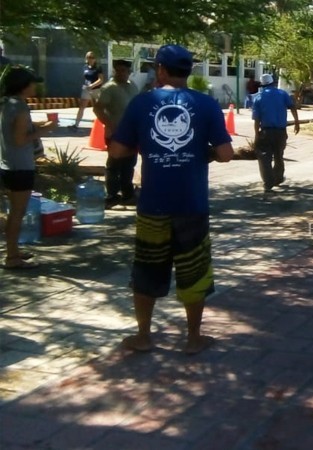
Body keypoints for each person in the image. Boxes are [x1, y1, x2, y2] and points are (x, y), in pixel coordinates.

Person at [107, 44, 234, 355]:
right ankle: (193, 339)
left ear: (160, 69)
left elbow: (116, 152)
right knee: (194, 271)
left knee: (147, 270)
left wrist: (149, 147)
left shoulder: (141, 103)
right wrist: (198, 152)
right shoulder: (206, 105)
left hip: (153, 204)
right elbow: (226, 154)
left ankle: (144, 337)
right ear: (188, 71)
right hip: (192, 204)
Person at [1, 67, 57, 270]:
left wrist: (40, 125)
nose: (35, 86)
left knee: (14, 211)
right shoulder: (21, 108)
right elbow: (19, 139)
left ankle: (13, 250)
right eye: (32, 83)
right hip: (20, 167)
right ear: (23, 86)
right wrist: (47, 129)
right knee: (17, 212)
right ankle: (12, 258)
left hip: (8, 165)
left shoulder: (9, 104)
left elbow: (17, 129)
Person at [93, 59, 140, 208]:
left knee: (129, 164)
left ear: (129, 72)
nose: (120, 73)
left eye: (123, 71)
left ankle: (127, 195)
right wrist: (109, 124)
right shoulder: (109, 88)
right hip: (115, 133)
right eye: (117, 70)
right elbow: (98, 109)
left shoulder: (132, 86)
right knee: (114, 165)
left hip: (131, 133)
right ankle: (112, 196)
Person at [252, 73, 299, 197]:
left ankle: (268, 184)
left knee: (265, 158)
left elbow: (257, 120)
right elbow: (293, 107)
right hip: (281, 132)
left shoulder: (259, 97)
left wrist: (256, 135)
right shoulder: (282, 94)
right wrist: (296, 123)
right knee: (279, 155)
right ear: (273, 82)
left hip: (266, 132)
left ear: (262, 85)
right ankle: (278, 178)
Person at [69, 51, 105, 131]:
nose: (91, 59)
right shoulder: (85, 67)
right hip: (86, 89)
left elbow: (101, 80)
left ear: (95, 59)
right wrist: (86, 86)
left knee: (97, 108)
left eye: (92, 57)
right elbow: (86, 78)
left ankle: (103, 125)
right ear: (86, 58)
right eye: (89, 57)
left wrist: (92, 85)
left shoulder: (98, 68)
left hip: (96, 90)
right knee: (81, 107)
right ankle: (76, 125)